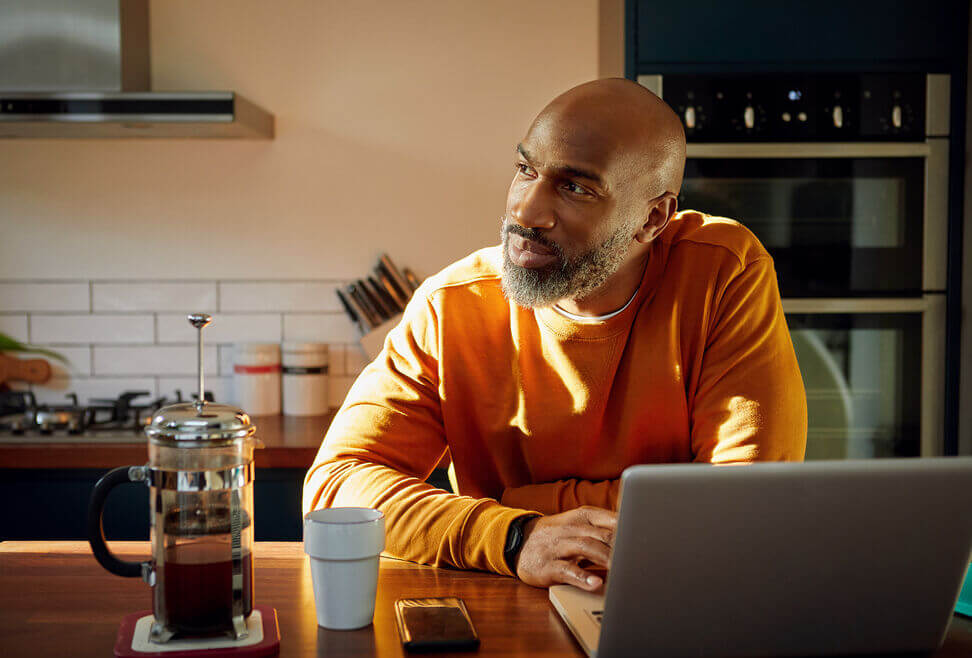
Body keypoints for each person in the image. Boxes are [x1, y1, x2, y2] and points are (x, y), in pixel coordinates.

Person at [303, 78, 807, 593]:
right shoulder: (452, 304)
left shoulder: (722, 272)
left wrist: (519, 502)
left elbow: (747, 502)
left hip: (675, 592)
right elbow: (337, 487)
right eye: (526, 170)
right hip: (507, 594)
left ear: (652, 219)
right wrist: (515, 536)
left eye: (575, 187)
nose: (525, 211)